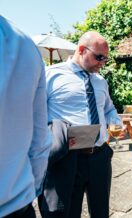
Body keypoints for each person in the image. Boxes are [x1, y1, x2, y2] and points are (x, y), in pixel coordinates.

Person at [40, 31, 123, 218]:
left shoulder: (101, 81)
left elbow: (109, 109)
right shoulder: (50, 75)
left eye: (106, 59)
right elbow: (35, 115)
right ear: (81, 50)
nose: (102, 63)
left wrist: (116, 122)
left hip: (100, 156)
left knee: (101, 212)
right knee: (69, 212)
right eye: (99, 57)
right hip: (67, 158)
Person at [0, 15, 50, 218]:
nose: (103, 62)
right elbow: (39, 140)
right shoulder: (25, 45)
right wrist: (30, 190)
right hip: (16, 206)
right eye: (99, 57)